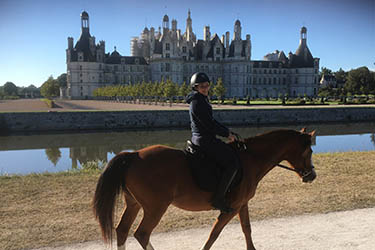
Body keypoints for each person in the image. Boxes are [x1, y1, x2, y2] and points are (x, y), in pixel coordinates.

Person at [185, 72, 240, 213]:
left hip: (203, 138)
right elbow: (209, 124)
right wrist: (227, 134)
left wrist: (228, 132)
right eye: (202, 86)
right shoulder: (198, 102)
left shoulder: (200, 99)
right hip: (204, 139)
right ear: (195, 87)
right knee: (232, 163)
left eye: (207, 85)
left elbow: (212, 122)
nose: (205, 88)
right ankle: (219, 199)